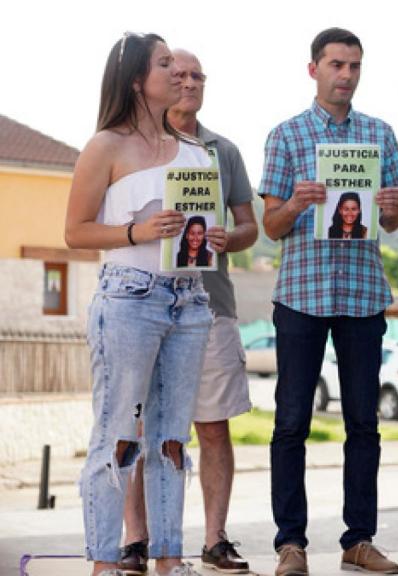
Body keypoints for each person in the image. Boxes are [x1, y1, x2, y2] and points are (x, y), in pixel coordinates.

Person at [260, 27, 398, 576]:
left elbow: (392, 221)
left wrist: (392, 206)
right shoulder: (286, 136)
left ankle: (359, 539)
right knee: (291, 422)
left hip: (363, 295)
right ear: (314, 69)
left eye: (354, 66)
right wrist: (298, 202)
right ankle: (290, 544)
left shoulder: (380, 133)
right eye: (336, 65)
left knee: (363, 425)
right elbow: (271, 227)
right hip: (301, 295)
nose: (345, 75)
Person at [65, 33, 213, 576]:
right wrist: (136, 230)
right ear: (135, 79)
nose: (178, 71)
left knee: (172, 437)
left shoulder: (198, 152)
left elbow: (205, 226)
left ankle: (170, 557)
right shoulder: (105, 145)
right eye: (165, 63)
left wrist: (212, 240)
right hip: (128, 298)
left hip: (190, 298)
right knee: (118, 436)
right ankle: (106, 561)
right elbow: (75, 232)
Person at [119, 48, 259, 576]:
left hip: (210, 305)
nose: (188, 82)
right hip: (143, 300)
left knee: (213, 426)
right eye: (177, 74)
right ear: (155, 82)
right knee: (134, 426)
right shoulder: (137, 147)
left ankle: (215, 539)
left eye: (197, 75)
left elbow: (251, 226)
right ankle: (137, 540)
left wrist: (230, 237)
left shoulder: (223, 151)